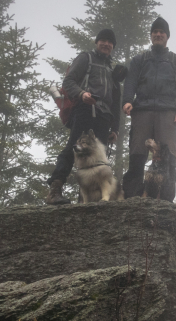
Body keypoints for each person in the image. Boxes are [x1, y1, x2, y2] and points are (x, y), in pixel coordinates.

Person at [46, 29, 121, 205]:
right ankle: (55, 190)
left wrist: (115, 128)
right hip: (84, 111)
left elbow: (115, 101)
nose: (106, 44)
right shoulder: (85, 58)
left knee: (99, 160)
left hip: (103, 117)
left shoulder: (111, 70)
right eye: (103, 40)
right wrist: (81, 94)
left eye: (110, 42)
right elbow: (68, 81)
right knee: (73, 150)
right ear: (97, 42)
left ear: (112, 47)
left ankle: (87, 200)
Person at [122, 17, 176, 202]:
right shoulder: (139, 60)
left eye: (162, 32)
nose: (158, 34)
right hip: (142, 110)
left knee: (168, 158)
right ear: (151, 36)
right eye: (155, 32)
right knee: (137, 153)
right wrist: (127, 101)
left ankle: (166, 200)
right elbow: (130, 82)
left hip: (168, 112)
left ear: (167, 36)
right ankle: (132, 197)